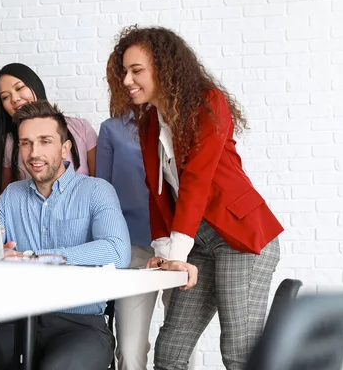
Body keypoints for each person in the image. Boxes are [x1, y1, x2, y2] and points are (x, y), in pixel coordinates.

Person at [106, 26, 283, 370]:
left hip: (239, 237)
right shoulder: (147, 123)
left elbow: (197, 182)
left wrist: (175, 254)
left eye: (136, 70)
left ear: (165, 67)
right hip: (198, 244)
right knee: (170, 351)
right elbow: (157, 192)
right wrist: (162, 253)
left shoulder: (208, 102)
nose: (127, 80)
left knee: (238, 350)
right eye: (123, 71)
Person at [0, 100, 131, 370]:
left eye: (45, 141)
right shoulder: (10, 196)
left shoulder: (96, 191)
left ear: (65, 147)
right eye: (26, 143)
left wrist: (44, 258)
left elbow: (118, 251)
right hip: (18, 322)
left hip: (81, 326)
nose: (34, 152)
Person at [96, 110, 198, 370]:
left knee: (180, 349)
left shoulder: (177, 122)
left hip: (178, 248)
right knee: (130, 350)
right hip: (132, 248)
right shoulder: (111, 129)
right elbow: (101, 191)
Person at [0, 63, 97, 196]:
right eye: (5, 97)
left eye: (19, 88)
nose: (15, 99)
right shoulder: (8, 144)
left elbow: (99, 185)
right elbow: (0, 197)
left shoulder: (81, 128)